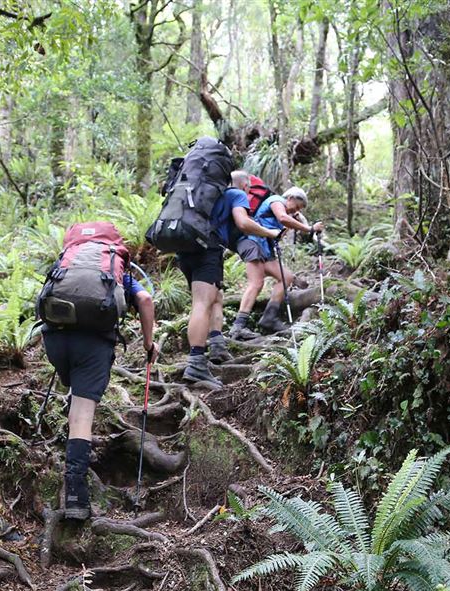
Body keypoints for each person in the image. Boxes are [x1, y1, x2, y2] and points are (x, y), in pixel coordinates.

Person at [40, 227, 159, 520]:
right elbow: (145, 300)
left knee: (74, 391)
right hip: (93, 344)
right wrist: (148, 344)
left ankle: (71, 404)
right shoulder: (116, 273)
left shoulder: (65, 265)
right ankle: (76, 495)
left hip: (55, 339)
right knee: (82, 412)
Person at [176, 171, 283, 386]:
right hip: (207, 249)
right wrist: (270, 233)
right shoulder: (236, 195)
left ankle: (217, 345)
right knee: (203, 302)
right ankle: (196, 364)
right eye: (249, 188)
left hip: (185, 247)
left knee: (216, 297)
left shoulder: (205, 194)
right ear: (245, 185)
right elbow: (243, 223)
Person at [230, 186, 324, 338]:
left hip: (265, 249)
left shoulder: (285, 212)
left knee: (286, 277)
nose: (296, 211)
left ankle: (269, 317)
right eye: (297, 206)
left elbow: (278, 234)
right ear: (290, 198)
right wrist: (309, 228)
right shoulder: (276, 201)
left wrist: (292, 223)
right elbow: (282, 218)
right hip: (253, 242)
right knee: (256, 283)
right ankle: (238, 326)